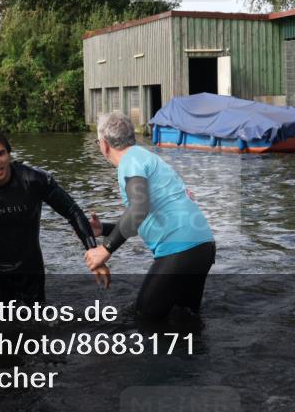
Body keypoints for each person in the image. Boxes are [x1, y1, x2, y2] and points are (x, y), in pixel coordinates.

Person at [0, 126, 107, 307]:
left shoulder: (34, 180)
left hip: (32, 270)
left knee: (38, 329)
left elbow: (72, 212)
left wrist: (93, 251)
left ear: (9, 152)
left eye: (0, 154)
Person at [85, 112, 216, 321]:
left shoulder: (129, 162)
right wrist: (105, 229)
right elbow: (142, 218)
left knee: (144, 319)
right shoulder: (144, 157)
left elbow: (138, 209)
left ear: (104, 144)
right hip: (202, 247)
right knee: (185, 319)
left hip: (180, 249)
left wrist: (105, 248)